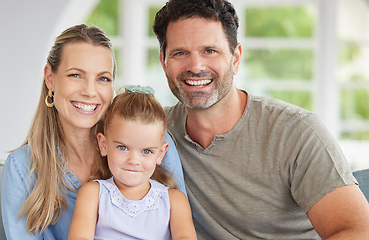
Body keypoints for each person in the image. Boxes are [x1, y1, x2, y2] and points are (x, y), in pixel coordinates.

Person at [153, 0, 369, 239]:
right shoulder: (152, 132)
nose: (195, 66)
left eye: (210, 51)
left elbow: (357, 231)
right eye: (180, 53)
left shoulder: (295, 132)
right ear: (164, 63)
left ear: (235, 59)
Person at [1, 24, 185, 239]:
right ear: (50, 78)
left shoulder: (152, 144)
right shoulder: (21, 168)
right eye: (75, 75)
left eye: (103, 78)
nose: (89, 91)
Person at [68, 86, 197, 240]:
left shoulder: (174, 201)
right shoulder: (93, 194)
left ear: (160, 154)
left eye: (146, 151)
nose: (134, 161)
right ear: (103, 145)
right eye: (123, 148)